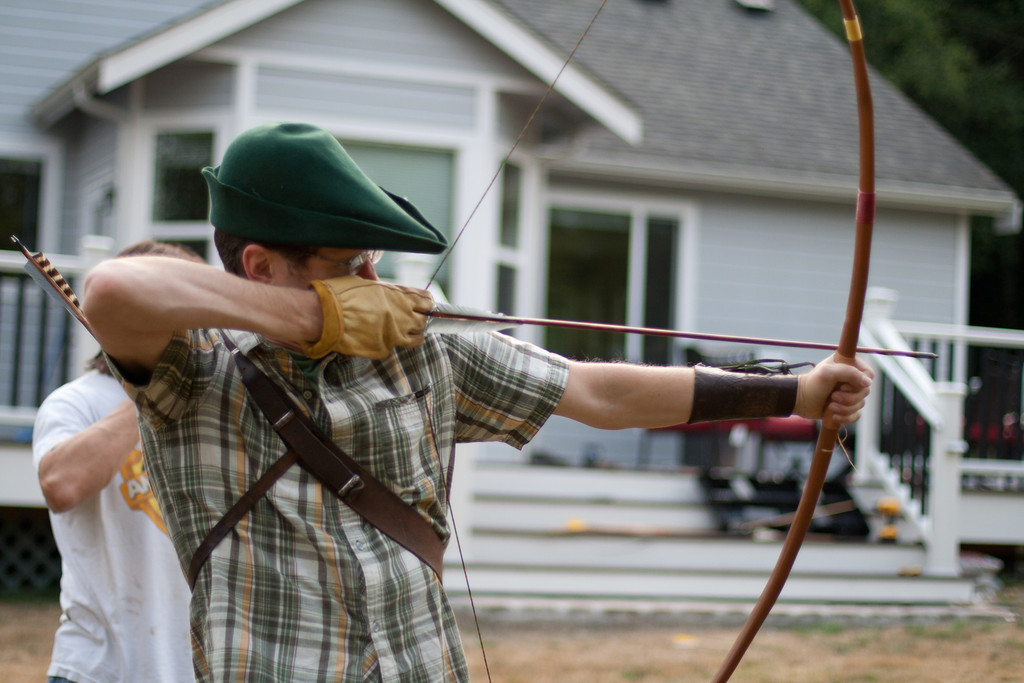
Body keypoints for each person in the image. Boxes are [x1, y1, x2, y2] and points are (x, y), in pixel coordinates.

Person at [81, 122, 873, 681]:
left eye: (372, 259)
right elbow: (113, 289)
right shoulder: (194, 370)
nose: (374, 280)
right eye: (349, 264)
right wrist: (313, 319)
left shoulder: (415, 345)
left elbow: (596, 390)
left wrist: (796, 391)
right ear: (260, 265)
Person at [34, 240, 202, 683]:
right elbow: (61, 485)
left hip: (197, 668)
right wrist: (148, 392)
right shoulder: (77, 401)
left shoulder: (208, 407)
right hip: (98, 670)